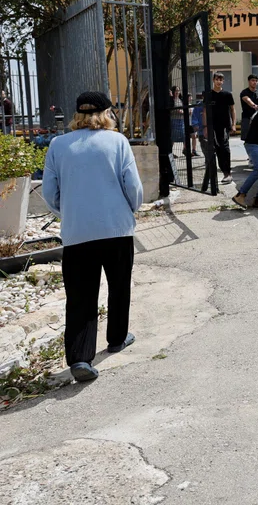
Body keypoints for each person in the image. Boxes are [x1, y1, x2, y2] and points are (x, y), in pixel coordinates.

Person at [41, 91, 144, 383]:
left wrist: (71, 212)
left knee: (80, 296)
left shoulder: (58, 145)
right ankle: (117, 338)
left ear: (78, 114)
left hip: (77, 233)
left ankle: (80, 358)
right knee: (119, 284)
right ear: (106, 113)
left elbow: (49, 193)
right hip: (116, 228)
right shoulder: (117, 142)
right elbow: (133, 187)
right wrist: (129, 210)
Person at [204, 72, 235, 184]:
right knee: (217, 149)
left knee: (224, 148)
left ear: (223, 81)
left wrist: (233, 124)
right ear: (213, 80)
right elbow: (205, 111)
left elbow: (232, 109)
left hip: (224, 126)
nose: (219, 81)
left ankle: (228, 173)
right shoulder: (208, 94)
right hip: (212, 126)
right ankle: (221, 173)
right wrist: (205, 127)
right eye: (217, 79)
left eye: (221, 79)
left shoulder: (227, 94)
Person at [239, 74, 258, 141]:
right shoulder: (244, 92)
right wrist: (255, 106)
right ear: (249, 81)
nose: (255, 82)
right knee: (247, 139)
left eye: (256, 81)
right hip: (247, 118)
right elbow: (247, 100)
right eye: (253, 80)